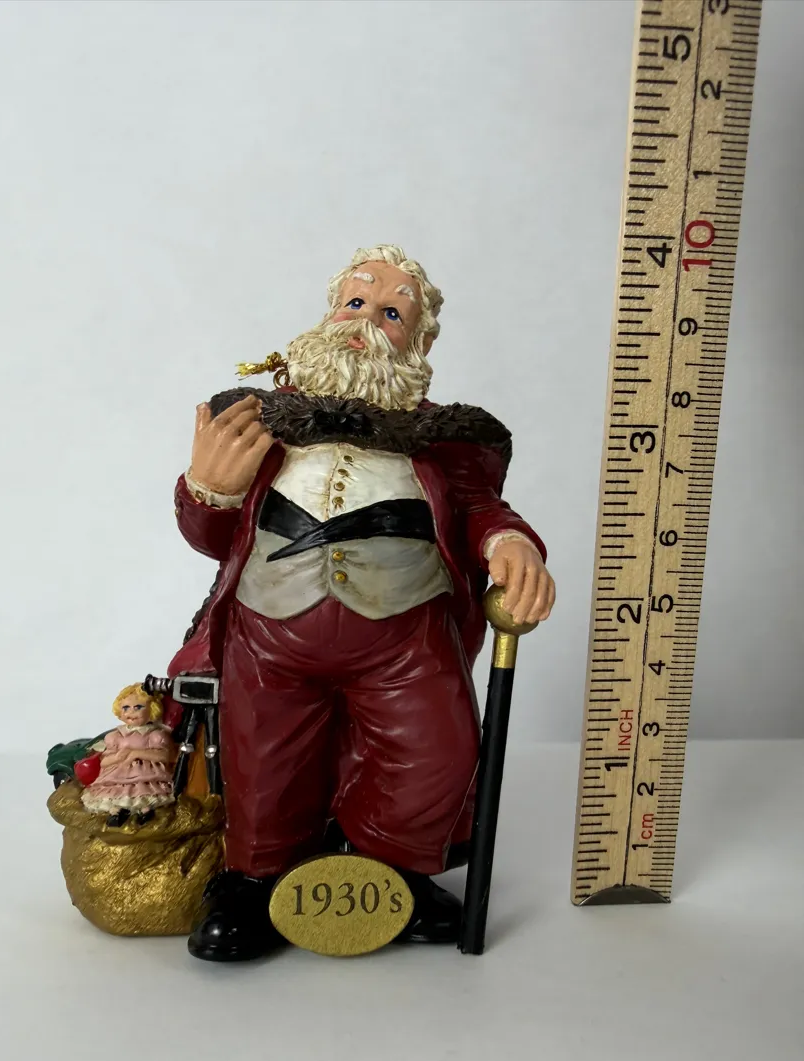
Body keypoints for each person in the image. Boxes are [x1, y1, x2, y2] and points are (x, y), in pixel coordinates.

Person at [167, 245, 556, 961]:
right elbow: (212, 538)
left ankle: (384, 871)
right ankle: (257, 882)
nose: (367, 320)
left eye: (392, 312)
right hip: (270, 633)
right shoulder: (262, 422)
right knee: (264, 758)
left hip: (407, 638)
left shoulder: (441, 438)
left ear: (421, 343)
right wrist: (209, 488)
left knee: (436, 752)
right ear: (329, 313)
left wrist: (510, 543)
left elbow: (480, 509)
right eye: (356, 302)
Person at [80, 684, 176, 827]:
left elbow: (166, 757)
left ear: (152, 709)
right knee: (116, 793)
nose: (131, 712)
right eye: (126, 708)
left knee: (144, 793)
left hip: (147, 774)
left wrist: (137, 753)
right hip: (118, 774)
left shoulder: (155, 735)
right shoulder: (115, 736)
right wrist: (117, 758)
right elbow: (104, 761)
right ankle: (117, 812)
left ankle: (145, 811)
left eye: (138, 707)